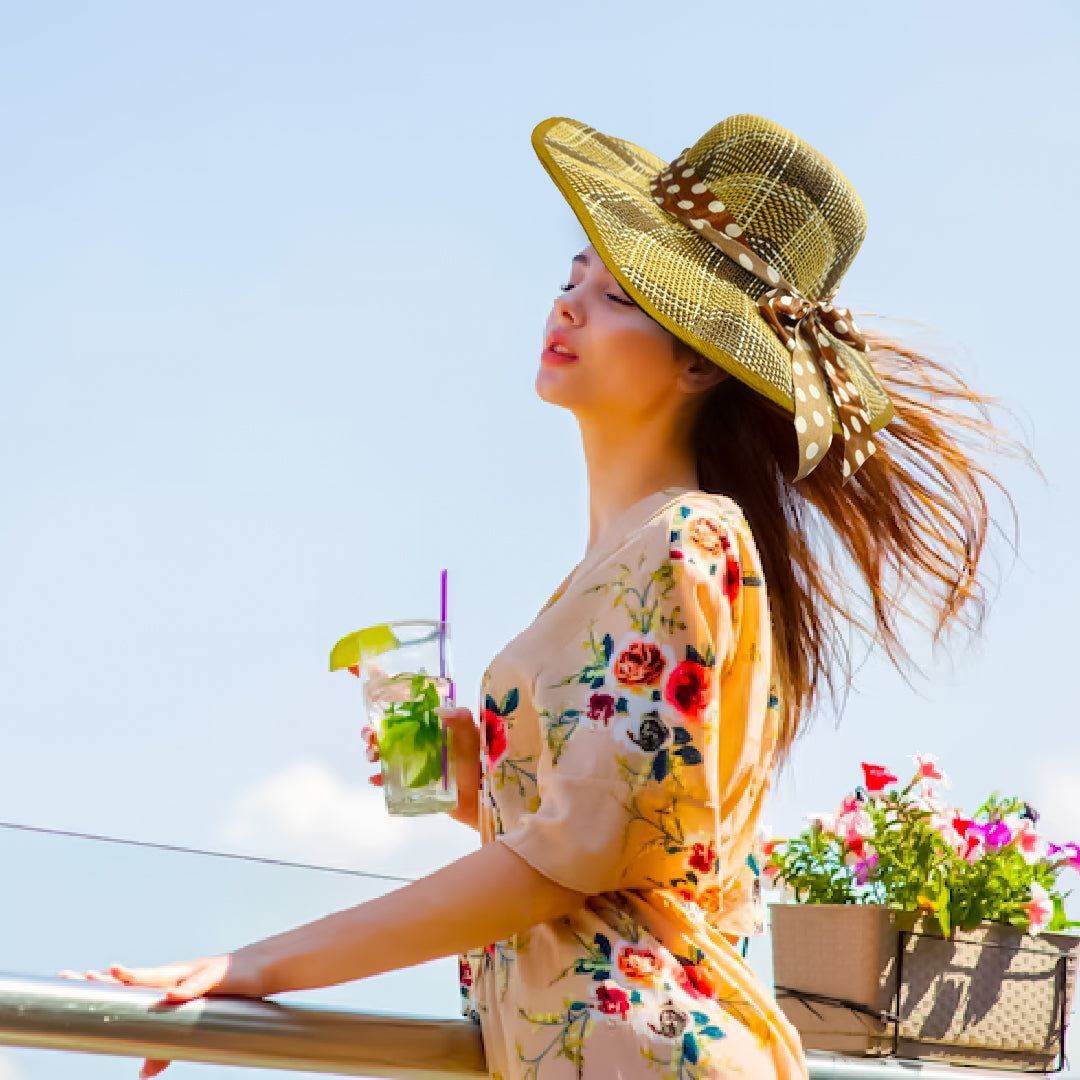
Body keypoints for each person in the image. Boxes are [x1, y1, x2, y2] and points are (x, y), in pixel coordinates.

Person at [62, 114, 1019, 1079]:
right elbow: (614, 846)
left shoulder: (688, 541)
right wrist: (481, 783)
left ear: (696, 360)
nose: (566, 308)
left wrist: (259, 962)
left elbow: (570, 862)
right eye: (570, 281)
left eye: (615, 296)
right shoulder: (626, 558)